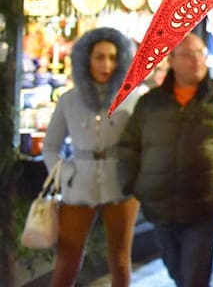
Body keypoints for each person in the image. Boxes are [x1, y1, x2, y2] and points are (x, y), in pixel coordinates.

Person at [117, 32, 213, 287]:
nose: (197, 61)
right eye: (189, 55)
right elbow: (129, 147)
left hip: (204, 206)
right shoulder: (151, 103)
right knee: (176, 271)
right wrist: (133, 186)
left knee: (194, 277)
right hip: (159, 206)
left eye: (201, 53)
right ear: (172, 60)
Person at [42, 27, 140, 287]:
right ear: (86, 59)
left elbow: (143, 144)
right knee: (67, 261)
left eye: (112, 57)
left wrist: (134, 175)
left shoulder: (131, 99)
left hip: (120, 185)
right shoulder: (69, 100)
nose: (106, 64)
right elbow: (50, 146)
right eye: (99, 57)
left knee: (120, 260)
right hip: (79, 184)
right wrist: (65, 175)